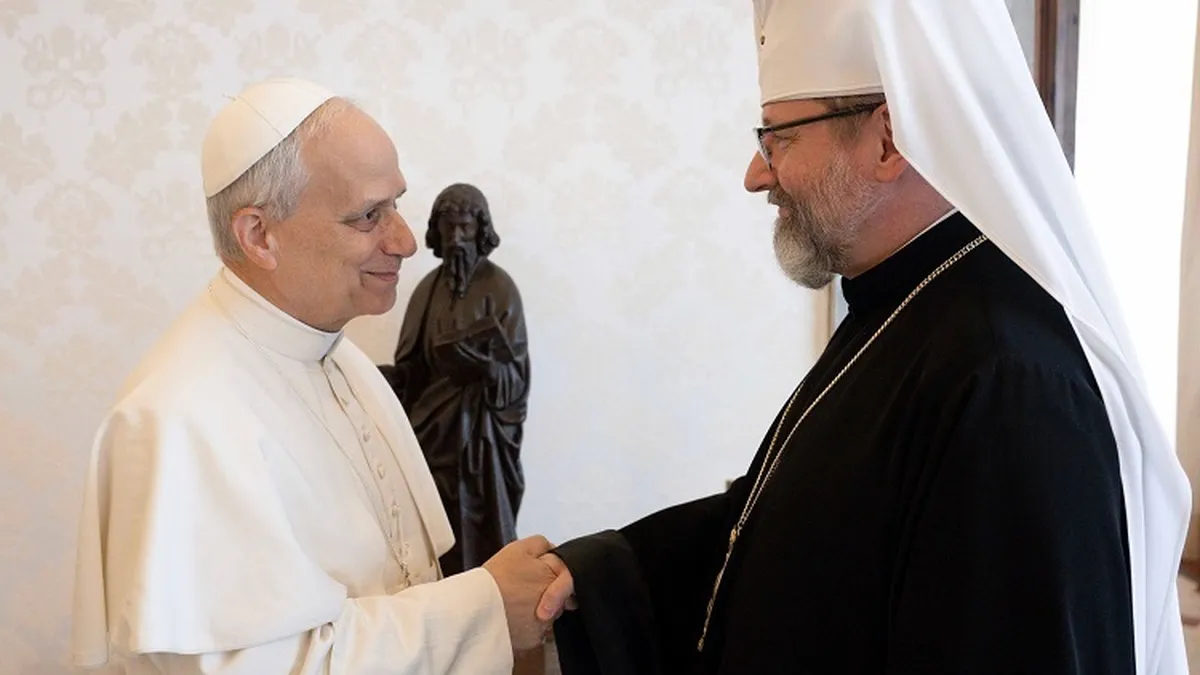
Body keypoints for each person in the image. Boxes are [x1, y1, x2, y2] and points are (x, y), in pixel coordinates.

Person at [537, 2, 1193, 674]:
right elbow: (801, 521)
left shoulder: (1006, 378)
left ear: (889, 140)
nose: (756, 175)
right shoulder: (901, 302)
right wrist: (603, 571)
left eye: (777, 140)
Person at [70, 77, 563, 675]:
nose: (406, 241)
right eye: (369, 215)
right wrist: (485, 608)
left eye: (397, 204)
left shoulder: (341, 357)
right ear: (260, 236)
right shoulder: (177, 420)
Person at [380, 182, 531, 577]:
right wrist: (381, 379)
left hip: (481, 443)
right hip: (430, 436)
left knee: (482, 539)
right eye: (449, 228)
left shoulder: (500, 288)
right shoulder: (427, 290)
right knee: (435, 533)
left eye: (465, 227)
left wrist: (485, 367)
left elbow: (515, 379)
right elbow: (411, 369)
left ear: (481, 230)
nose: (457, 238)